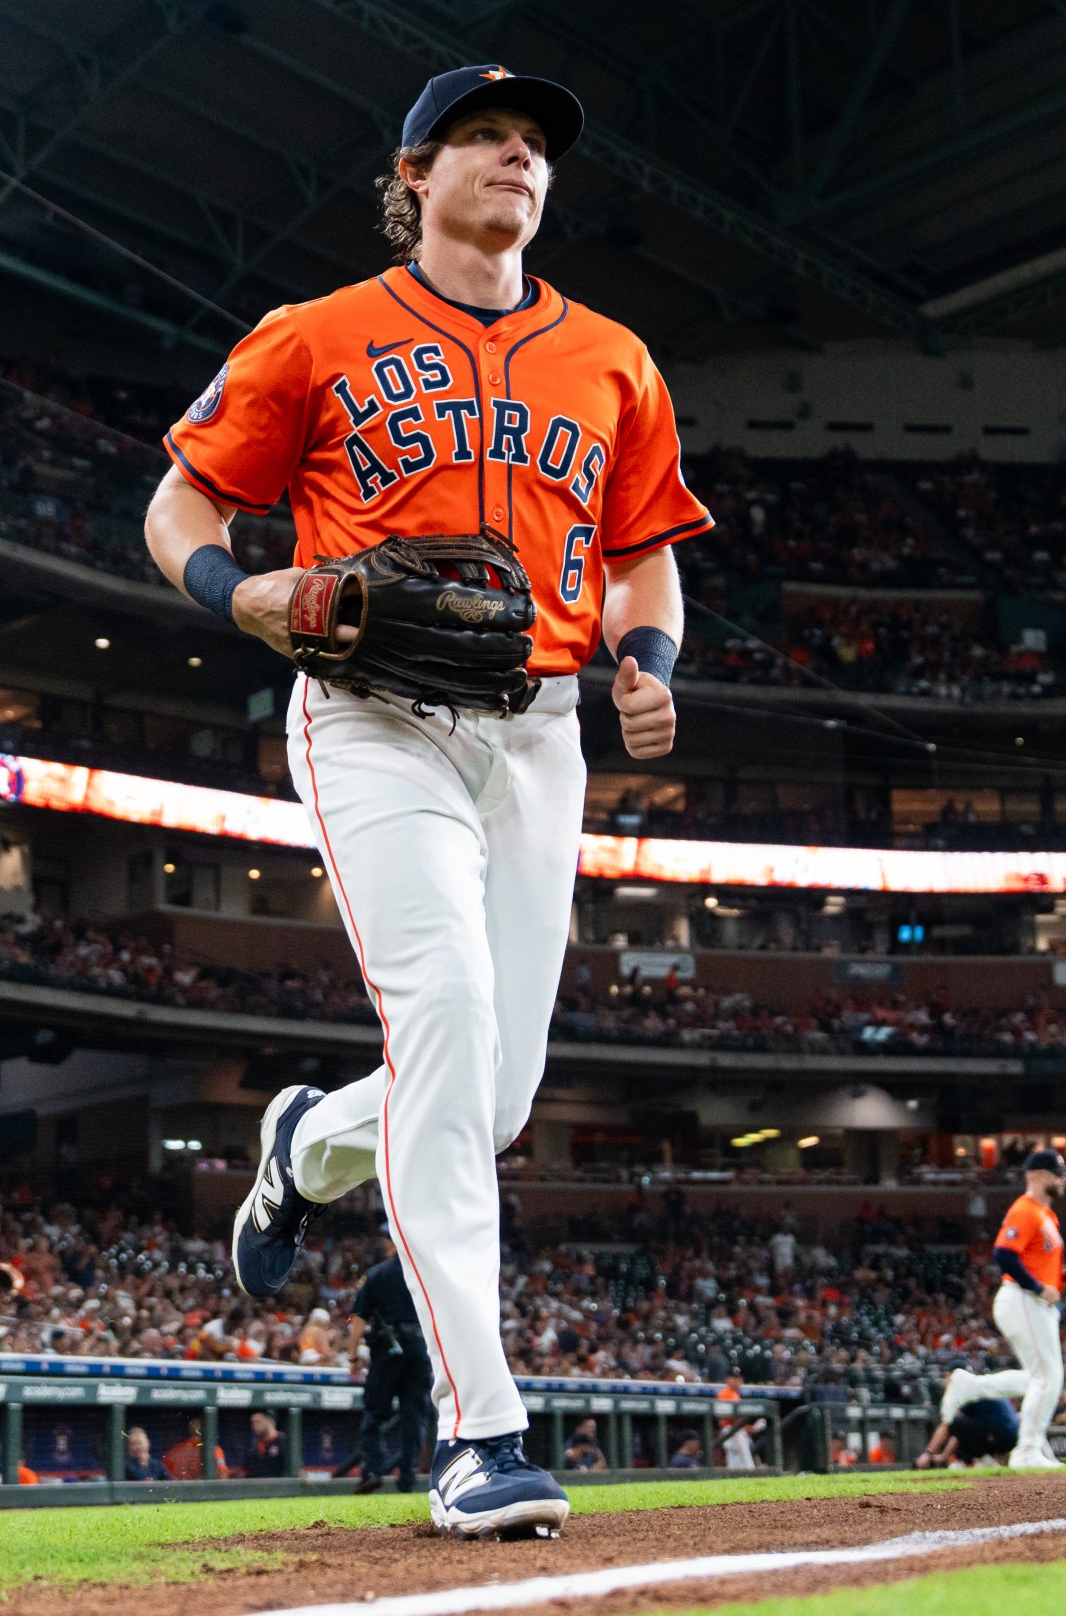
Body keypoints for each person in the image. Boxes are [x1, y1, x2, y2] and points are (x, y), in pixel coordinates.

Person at [152, 61, 703, 1543]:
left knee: (497, 1097)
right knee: (449, 1027)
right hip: (374, 714)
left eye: (534, 147)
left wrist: (645, 658)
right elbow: (182, 504)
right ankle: (484, 1431)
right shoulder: (317, 333)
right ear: (415, 174)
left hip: (538, 730)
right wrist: (235, 587)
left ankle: (306, 1146)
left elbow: (647, 553)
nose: (519, 160)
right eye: (486, 138)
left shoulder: (615, 359)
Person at [988, 1149, 1066, 1471]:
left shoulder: (1047, 1215)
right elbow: (1004, 1254)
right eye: (1056, 1173)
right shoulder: (1026, 1210)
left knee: (1041, 1378)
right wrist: (1038, 1287)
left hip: (1036, 1303)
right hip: (1022, 1299)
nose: (1062, 1179)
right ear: (1037, 1176)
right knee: (1048, 1377)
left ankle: (1037, 1450)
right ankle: (1026, 1451)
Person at [348, 1241, 433, 1494]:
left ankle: (373, 1470)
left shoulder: (377, 1274)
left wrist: (353, 1357)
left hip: (388, 1350)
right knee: (413, 1415)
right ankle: (407, 1478)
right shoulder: (424, 1273)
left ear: (389, 1245)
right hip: (419, 1349)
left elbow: (358, 1318)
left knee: (374, 1411)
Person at [916, 1373, 1022, 1471]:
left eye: (946, 1377)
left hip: (1001, 1434)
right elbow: (960, 1433)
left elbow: (948, 1425)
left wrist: (927, 1453)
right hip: (1013, 1437)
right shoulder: (978, 1385)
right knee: (961, 1426)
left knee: (955, 1423)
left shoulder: (967, 1389)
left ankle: (984, 1460)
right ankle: (979, 1460)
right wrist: (944, 1456)